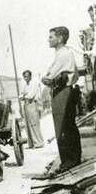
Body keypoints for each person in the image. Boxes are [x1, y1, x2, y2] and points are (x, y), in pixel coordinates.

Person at [42, 26, 81, 174]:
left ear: (59, 38)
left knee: (62, 127)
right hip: (63, 90)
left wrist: (46, 78)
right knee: (68, 126)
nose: (49, 39)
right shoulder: (63, 53)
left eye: (51, 37)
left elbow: (48, 77)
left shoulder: (63, 54)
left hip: (62, 91)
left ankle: (68, 161)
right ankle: (73, 158)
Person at [20, 70, 44, 148]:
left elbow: (30, 96)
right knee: (27, 125)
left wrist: (24, 96)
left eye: (27, 76)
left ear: (30, 76)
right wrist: (23, 96)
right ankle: (31, 143)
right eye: (24, 76)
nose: (25, 78)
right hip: (26, 105)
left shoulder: (33, 84)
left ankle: (39, 143)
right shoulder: (25, 86)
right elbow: (21, 95)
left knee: (34, 124)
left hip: (32, 104)